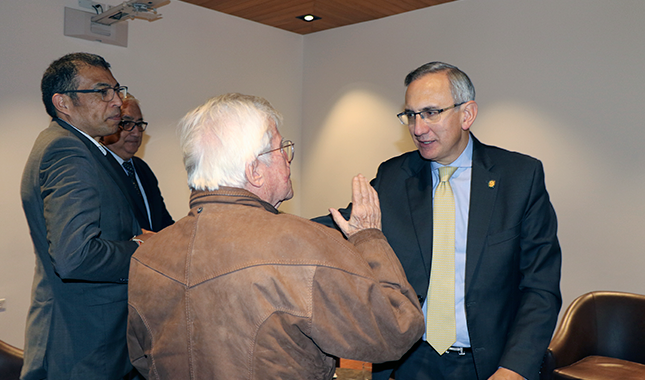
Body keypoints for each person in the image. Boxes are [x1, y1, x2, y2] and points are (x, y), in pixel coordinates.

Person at [126, 93, 425, 380]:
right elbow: (396, 329)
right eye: (282, 148)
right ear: (255, 170)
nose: (288, 159)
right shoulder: (304, 244)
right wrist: (369, 237)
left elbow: (142, 358)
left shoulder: (148, 256)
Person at [314, 62, 562, 380]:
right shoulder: (395, 176)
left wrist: (514, 369)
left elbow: (540, 288)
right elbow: (346, 225)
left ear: (467, 114)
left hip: (488, 365)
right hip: (411, 361)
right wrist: (266, 222)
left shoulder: (519, 177)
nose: (418, 128)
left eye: (431, 113)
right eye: (411, 115)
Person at [20, 52, 153, 380]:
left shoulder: (79, 147)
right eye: (102, 91)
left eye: (117, 90)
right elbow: (75, 256)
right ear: (63, 102)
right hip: (83, 347)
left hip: (90, 341)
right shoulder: (67, 151)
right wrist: (139, 247)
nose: (117, 102)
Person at [101, 94, 174, 231]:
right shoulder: (98, 169)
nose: (136, 133)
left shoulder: (142, 168)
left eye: (139, 124)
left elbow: (163, 223)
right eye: (126, 123)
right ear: (106, 125)